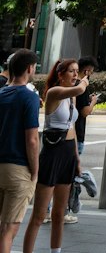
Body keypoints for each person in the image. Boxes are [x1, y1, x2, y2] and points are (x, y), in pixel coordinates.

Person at [22, 58, 87, 253]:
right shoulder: (54, 92)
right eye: (72, 72)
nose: (76, 75)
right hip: (52, 153)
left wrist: (76, 158)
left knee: (60, 213)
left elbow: (72, 128)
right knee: (39, 215)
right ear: (61, 75)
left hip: (67, 151)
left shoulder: (72, 97)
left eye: (77, 71)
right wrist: (85, 80)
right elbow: (80, 89)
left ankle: (55, 251)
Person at [0, 48, 40, 253]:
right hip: (18, 168)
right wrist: (35, 171)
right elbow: (32, 139)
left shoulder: (1, 93)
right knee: (8, 230)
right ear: (29, 68)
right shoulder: (29, 96)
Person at [66, 57, 98, 223]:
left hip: (69, 135)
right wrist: (93, 101)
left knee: (67, 172)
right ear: (87, 70)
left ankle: (66, 206)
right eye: (90, 71)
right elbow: (85, 112)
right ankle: (83, 179)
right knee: (71, 172)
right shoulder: (81, 87)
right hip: (76, 135)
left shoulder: (69, 87)